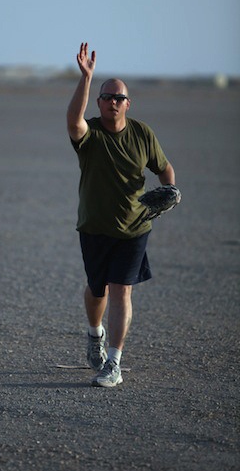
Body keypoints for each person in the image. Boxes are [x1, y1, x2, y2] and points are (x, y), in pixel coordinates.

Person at [67, 43, 176, 388]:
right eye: (107, 96)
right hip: (95, 227)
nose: (113, 101)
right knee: (96, 289)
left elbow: (165, 168)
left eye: (119, 97)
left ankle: (113, 363)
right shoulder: (91, 134)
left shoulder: (143, 134)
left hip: (134, 227)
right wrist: (86, 79)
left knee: (121, 291)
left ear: (128, 104)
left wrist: (170, 192)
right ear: (99, 102)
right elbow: (73, 121)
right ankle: (94, 334)